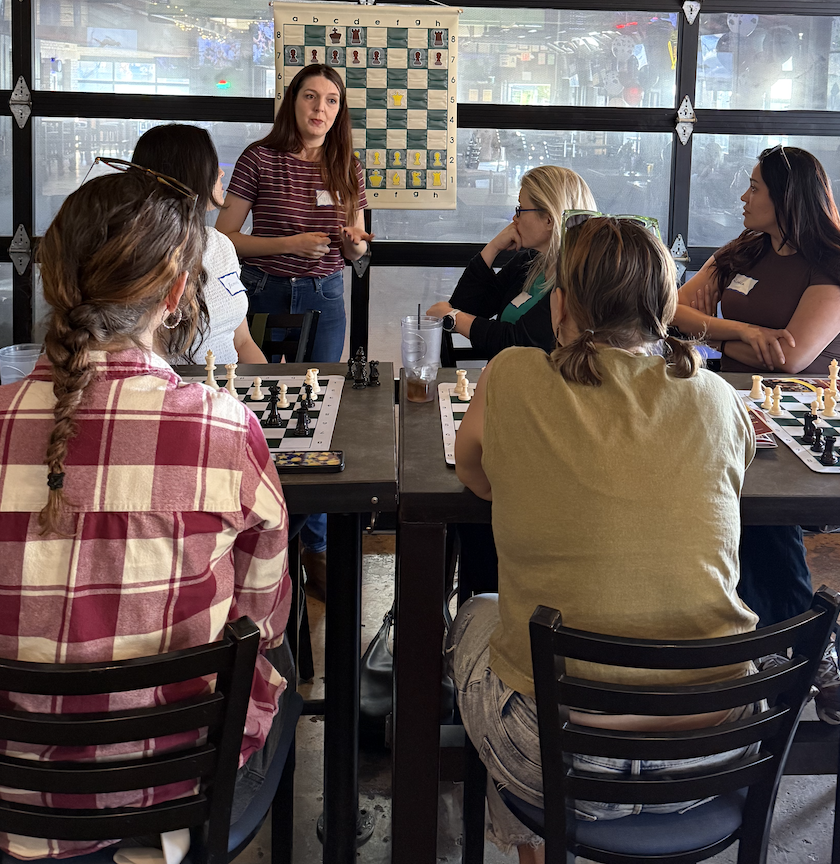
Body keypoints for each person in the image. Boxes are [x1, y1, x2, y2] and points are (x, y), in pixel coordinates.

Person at [448, 215, 758, 864]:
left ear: (560, 303)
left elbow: (474, 477)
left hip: (556, 750)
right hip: (717, 746)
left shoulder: (511, 375)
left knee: (477, 616)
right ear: (667, 308)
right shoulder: (719, 399)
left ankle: (537, 848)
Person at [0, 168, 291, 859]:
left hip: (12, 795)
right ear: (174, 291)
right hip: (177, 783)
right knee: (284, 692)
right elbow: (264, 617)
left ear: (53, 281)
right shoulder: (225, 431)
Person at [672, 146, 840, 721]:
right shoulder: (744, 248)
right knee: (728, 509)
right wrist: (736, 332)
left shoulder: (831, 260)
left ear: (786, 199)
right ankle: (776, 644)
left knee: (760, 516)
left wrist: (715, 338)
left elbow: (792, 357)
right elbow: (674, 310)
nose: (742, 198)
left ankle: (803, 647)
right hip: (732, 405)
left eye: (754, 190)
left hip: (800, 421)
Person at [216, 63, 373, 599]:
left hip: (325, 297)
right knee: (257, 411)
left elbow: (355, 251)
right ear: (293, 102)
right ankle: (259, 531)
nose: (320, 109)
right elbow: (225, 238)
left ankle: (316, 545)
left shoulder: (345, 164)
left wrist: (354, 243)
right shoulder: (259, 157)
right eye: (311, 97)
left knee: (323, 415)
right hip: (261, 294)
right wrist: (288, 243)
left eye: (331, 101)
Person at [426, 165, 596, 359]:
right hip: (506, 379)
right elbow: (467, 306)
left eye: (521, 209)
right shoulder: (530, 262)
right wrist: (493, 247)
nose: (515, 218)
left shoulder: (577, 281)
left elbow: (516, 342)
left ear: (549, 220)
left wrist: (453, 317)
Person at [131, 123, 266, 365]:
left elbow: (242, 341)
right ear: (188, 173)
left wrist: (271, 384)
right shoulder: (141, 256)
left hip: (230, 391)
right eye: (213, 165)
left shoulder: (221, 244)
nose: (221, 173)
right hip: (178, 394)